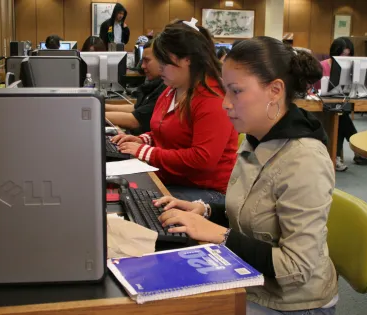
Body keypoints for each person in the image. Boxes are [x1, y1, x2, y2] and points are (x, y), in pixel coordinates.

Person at [155, 37, 338, 315]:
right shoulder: (255, 137)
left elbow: (296, 269)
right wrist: (203, 211)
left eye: (236, 91)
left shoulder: (304, 159)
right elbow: (251, 211)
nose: (225, 104)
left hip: (291, 303)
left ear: (275, 90)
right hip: (249, 280)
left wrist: (219, 235)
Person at [112, 24, 238, 204]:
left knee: (137, 203)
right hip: (174, 181)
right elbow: (164, 132)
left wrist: (146, 152)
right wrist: (144, 139)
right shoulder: (172, 89)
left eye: (164, 62)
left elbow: (203, 159)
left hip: (207, 192)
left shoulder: (212, 98)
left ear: (186, 60)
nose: (160, 68)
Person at [318, 37, 367, 171]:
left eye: (348, 55)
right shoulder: (322, 66)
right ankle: (358, 149)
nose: (345, 58)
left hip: (339, 103)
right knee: (340, 115)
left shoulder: (350, 68)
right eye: (343, 54)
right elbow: (316, 88)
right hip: (322, 106)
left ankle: (337, 156)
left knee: (340, 114)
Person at [105, 41, 166, 135]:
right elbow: (137, 108)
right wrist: (102, 107)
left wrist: (94, 115)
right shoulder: (155, 85)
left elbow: (135, 120)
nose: (142, 66)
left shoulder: (165, 88)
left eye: (147, 60)